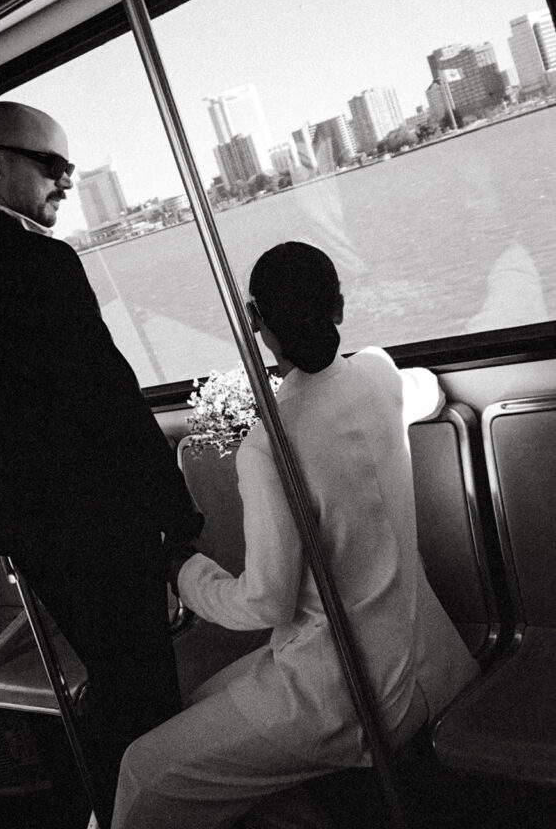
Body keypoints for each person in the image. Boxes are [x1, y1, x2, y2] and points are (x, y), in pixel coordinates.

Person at [0, 100, 203, 823]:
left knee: (112, 673)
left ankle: (118, 805)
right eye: (52, 165)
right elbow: (110, 399)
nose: (66, 182)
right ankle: (138, 809)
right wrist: (176, 514)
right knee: (143, 686)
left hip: (29, 534)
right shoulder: (43, 262)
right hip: (103, 520)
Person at [111, 241, 479, 829]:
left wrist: (185, 572)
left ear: (256, 324)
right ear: (339, 305)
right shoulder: (380, 374)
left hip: (349, 692)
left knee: (142, 770)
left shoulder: (269, 448)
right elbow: (426, 391)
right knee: (201, 708)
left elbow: (266, 602)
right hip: (428, 655)